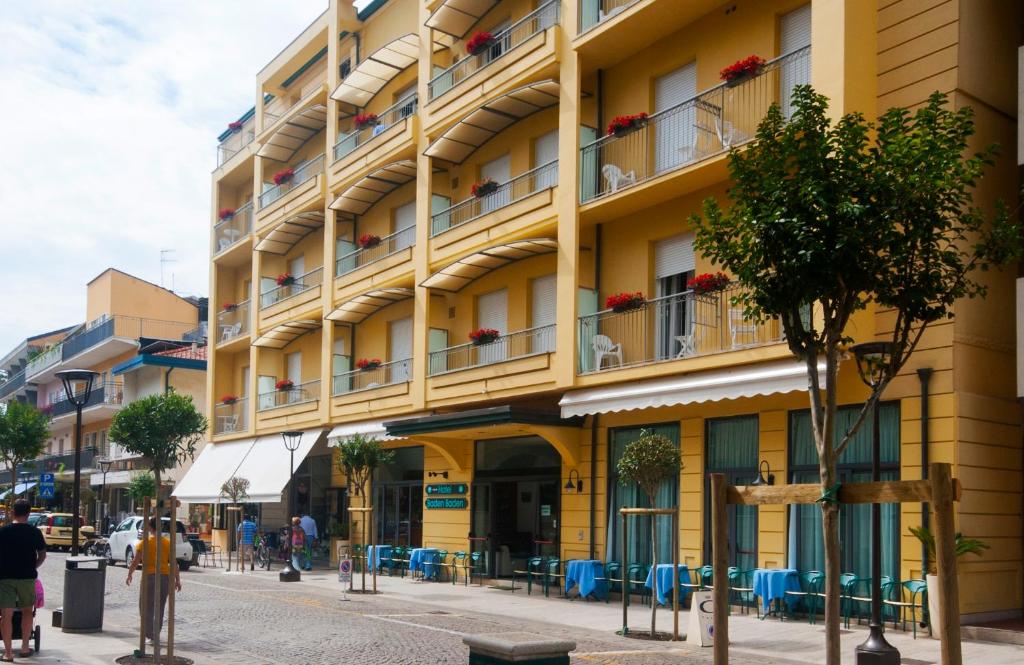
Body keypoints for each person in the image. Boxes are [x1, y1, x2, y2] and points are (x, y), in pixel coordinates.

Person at [0, 499, 46, 661]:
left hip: (5, 578)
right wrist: (34, 566)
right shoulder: (35, 532)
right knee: (27, 611)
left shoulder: (3, 531)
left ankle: (8, 653)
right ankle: (25, 647)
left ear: (13, 512)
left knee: (6, 615)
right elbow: (42, 555)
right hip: (27, 577)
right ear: (28, 514)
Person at [126, 517, 181, 645]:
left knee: (145, 607)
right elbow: (174, 563)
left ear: (150, 527)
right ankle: (155, 634)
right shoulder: (167, 543)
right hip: (165, 578)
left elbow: (135, 561)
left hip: (149, 577)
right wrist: (177, 580)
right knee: (159, 607)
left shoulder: (144, 543)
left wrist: (130, 574)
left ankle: (150, 634)